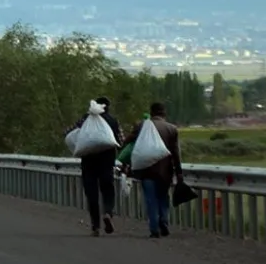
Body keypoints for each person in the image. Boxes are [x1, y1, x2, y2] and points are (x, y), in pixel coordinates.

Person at [123, 102, 184, 238]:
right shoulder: (171, 129)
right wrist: (179, 172)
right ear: (164, 113)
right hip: (165, 171)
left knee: (151, 199)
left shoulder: (142, 126)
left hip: (147, 171)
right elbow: (176, 153)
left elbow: (127, 142)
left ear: (151, 113)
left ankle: (154, 228)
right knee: (163, 197)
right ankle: (164, 222)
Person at [65, 96, 124, 236]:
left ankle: (95, 226)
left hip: (88, 162)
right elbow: (120, 141)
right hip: (107, 161)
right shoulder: (113, 121)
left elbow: (68, 133)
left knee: (91, 193)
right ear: (108, 107)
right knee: (107, 189)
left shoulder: (85, 119)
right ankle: (108, 213)